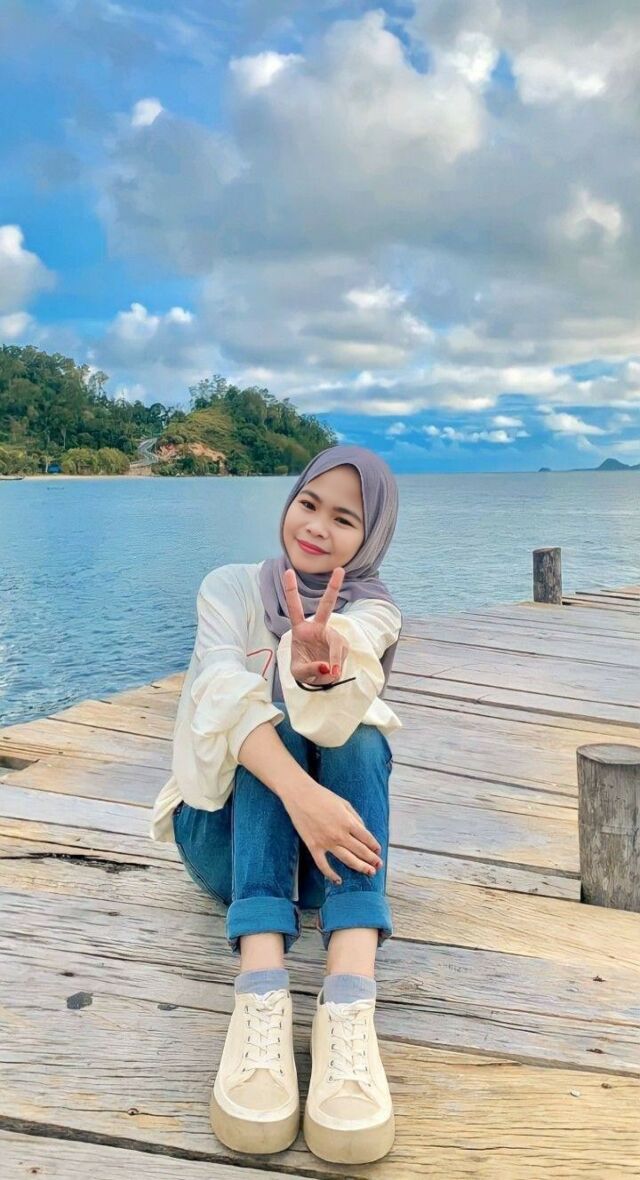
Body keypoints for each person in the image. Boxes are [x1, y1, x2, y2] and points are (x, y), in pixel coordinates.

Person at [149, 444, 402, 1165]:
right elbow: (219, 694)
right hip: (223, 839)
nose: (317, 526)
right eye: (309, 503)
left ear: (371, 537)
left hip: (323, 864)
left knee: (358, 732)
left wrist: (320, 668)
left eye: (344, 519)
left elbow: (350, 658)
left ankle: (349, 998)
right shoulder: (228, 588)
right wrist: (302, 793)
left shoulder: (374, 613)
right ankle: (260, 988)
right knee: (262, 715)